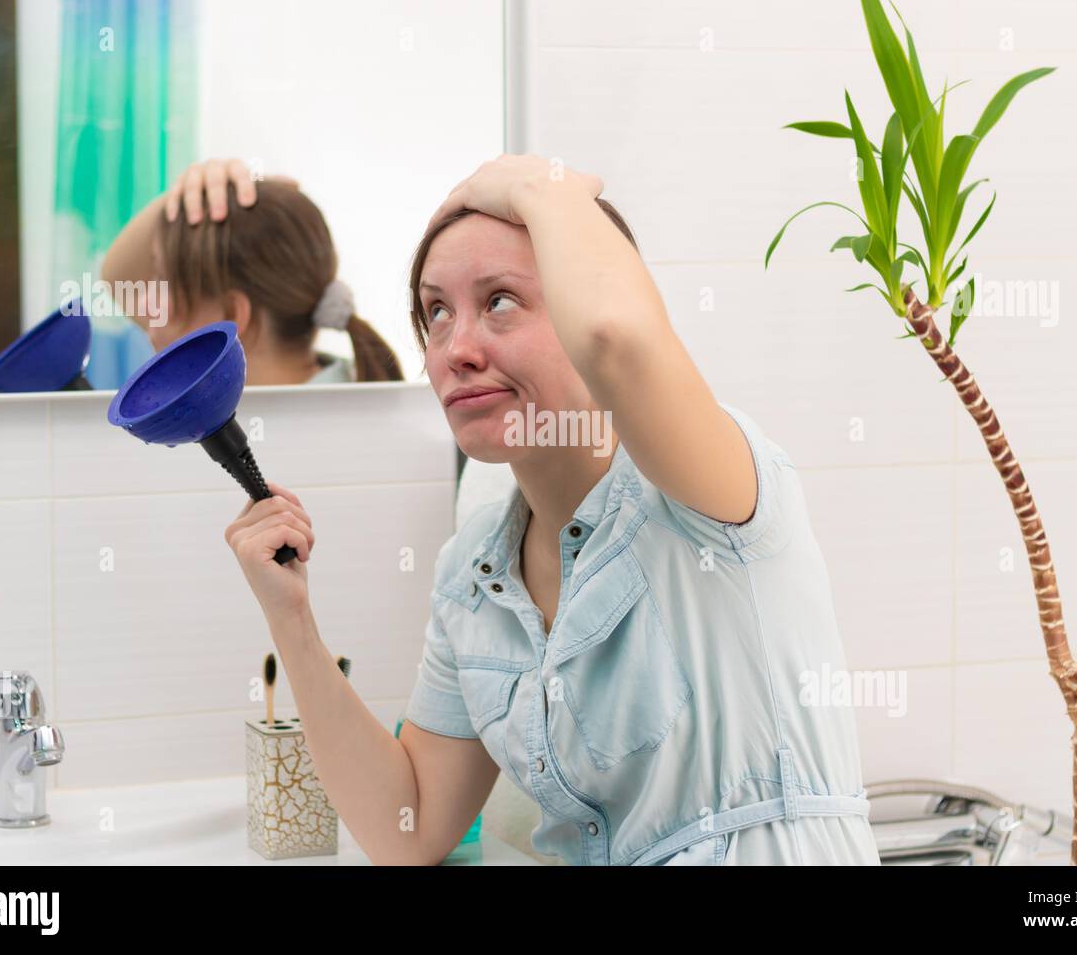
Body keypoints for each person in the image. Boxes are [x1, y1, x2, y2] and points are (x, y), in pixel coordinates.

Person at [223, 154, 881, 865]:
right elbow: (405, 830)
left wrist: (538, 188)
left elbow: (616, 338)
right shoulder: (473, 575)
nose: (457, 349)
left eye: (500, 300)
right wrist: (291, 618)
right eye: (436, 312)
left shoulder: (708, 492)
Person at [101, 158, 403, 384]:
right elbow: (116, 279)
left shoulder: (310, 439)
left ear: (232, 314)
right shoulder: (340, 392)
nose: (143, 303)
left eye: (162, 282)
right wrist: (187, 194)